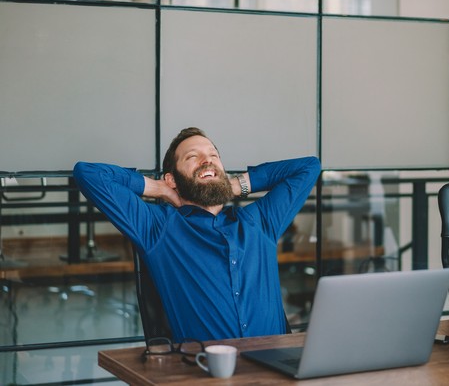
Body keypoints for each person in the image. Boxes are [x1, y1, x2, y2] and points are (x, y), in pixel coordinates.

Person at [73, 127, 320, 342]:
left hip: (277, 370)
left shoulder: (259, 221)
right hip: (205, 373)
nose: (207, 161)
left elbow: (310, 167)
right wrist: (158, 188)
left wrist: (235, 185)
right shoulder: (157, 228)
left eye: (214, 156)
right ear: (172, 178)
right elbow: (88, 174)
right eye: (193, 157)